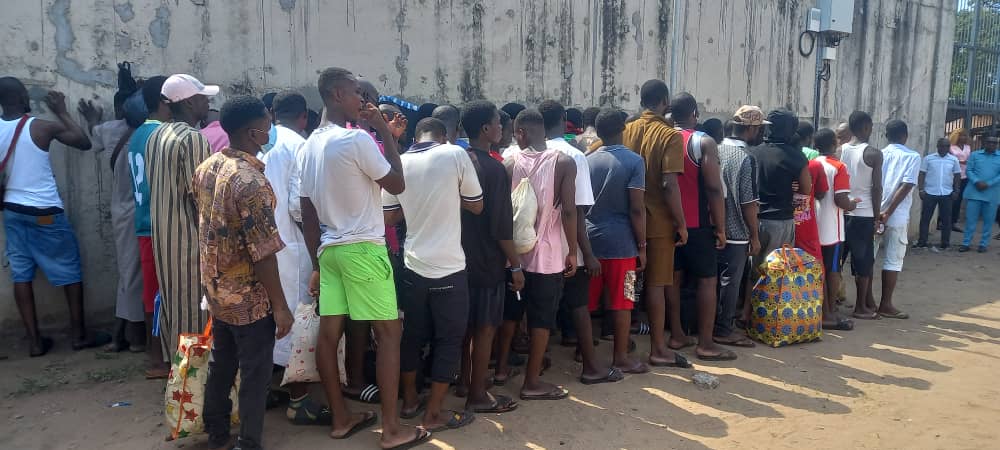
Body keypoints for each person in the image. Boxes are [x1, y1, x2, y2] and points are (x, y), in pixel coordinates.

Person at [297, 67, 428, 448]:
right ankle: (392, 430)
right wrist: (384, 130)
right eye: (358, 93)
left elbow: (307, 213)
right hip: (364, 249)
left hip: (330, 250)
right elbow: (397, 183)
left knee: (329, 334)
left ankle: (341, 418)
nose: (364, 101)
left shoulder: (309, 146)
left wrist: (317, 263)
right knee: (389, 335)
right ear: (338, 94)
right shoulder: (356, 140)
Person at [192, 95, 295, 450]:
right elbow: (264, 253)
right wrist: (280, 306)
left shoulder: (208, 167)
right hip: (249, 297)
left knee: (222, 363)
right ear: (253, 133)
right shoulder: (250, 182)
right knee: (255, 373)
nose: (271, 129)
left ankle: (217, 431)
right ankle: (249, 443)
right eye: (267, 123)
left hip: (217, 289)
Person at [384, 117, 483, 431]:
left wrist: (417, 203)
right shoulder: (454, 154)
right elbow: (477, 205)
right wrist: (447, 195)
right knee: (449, 340)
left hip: (413, 264)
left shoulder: (399, 161)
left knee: (412, 335)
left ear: (416, 137)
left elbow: (389, 217)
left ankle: (410, 402)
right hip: (449, 266)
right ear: (445, 136)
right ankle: (434, 414)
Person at [0, 77, 96, 357]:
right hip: (44, 212)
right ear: (22, 97)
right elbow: (83, 142)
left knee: (21, 274)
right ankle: (78, 335)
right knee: (70, 270)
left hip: (12, 211)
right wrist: (62, 112)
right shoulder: (40, 127)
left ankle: (34, 343)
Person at [529, 99, 617, 383]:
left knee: (539, 306)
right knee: (578, 302)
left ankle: (539, 361)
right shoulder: (572, 155)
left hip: (533, 246)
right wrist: (586, 252)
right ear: (563, 119)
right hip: (567, 244)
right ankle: (590, 365)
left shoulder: (526, 153)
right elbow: (576, 210)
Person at [257, 91, 331, 425]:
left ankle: (261, 389)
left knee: (262, 319)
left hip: (257, 248)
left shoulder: (257, 139)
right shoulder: (298, 145)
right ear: (303, 117)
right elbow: (299, 207)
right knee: (295, 320)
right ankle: (299, 400)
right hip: (289, 246)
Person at [495, 108, 579, 400]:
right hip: (548, 256)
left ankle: (501, 369)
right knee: (542, 319)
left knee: (511, 314)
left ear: (521, 133)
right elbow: (569, 211)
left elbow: (504, 213)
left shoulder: (509, 163)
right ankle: (532, 382)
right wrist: (572, 251)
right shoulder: (564, 163)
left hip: (514, 257)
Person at [613, 79, 690, 368]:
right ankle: (658, 348)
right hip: (657, 224)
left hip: (626, 221)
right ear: (665, 101)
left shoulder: (625, 130)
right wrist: (681, 223)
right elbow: (670, 184)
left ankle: (624, 342)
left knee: (628, 282)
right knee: (657, 285)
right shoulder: (669, 135)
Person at [457, 101, 523, 413]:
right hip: (486, 261)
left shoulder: (458, 161)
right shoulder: (494, 169)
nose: (501, 128)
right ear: (486, 129)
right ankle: (478, 394)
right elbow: (501, 228)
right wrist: (516, 265)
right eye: (498, 123)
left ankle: (464, 380)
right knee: (485, 328)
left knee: (465, 326)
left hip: (458, 258)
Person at [145, 74, 217, 363]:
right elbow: (203, 199)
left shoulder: (156, 136)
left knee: (175, 308)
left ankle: (180, 373)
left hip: (164, 240)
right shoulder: (192, 139)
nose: (207, 103)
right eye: (202, 98)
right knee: (195, 313)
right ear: (188, 103)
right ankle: (193, 379)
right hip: (189, 242)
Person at [668, 93, 733, 361]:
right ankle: (706, 343)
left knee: (672, 279)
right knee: (707, 280)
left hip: (667, 223)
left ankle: (676, 334)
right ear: (694, 113)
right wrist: (720, 227)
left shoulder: (662, 137)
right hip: (697, 225)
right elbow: (714, 188)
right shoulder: (703, 141)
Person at [80, 88, 145, 352]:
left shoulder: (109, 130)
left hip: (124, 211)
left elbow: (94, 134)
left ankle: (126, 335)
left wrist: (92, 120)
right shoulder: (150, 133)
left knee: (130, 272)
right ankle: (132, 335)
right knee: (134, 274)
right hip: (138, 210)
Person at [585, 108, 649, 374]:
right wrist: (642, 246)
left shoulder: (587, 160)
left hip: (590, 241)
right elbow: (637, 208)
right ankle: (620, 357)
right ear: (623, 128)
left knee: (588, 302)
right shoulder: (635, 162)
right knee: (625, 300)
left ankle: (584, 352)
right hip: (623, 244)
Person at [128, 76, 171, 377]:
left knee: (152, 292)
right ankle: (157, 358)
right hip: (161, 224)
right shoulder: (163, 134)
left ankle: (155, 355)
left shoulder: (138, 133)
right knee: (160, 294)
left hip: (145, 222)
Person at [713, 106, 764, 347]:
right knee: (731, 282)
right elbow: (748, 202)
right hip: (736, 231)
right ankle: (723, 329)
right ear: (751, 129)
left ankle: (710, 324)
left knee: (711, 281)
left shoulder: (714, 148)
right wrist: (754, 235)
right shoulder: (746, 158)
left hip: (712, 227)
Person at [839, 111, 883, 320]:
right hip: (864, 214)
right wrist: (877, 217)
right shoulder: (873, 153)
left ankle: (829, 305)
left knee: (836, 261)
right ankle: (860, 307)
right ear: (866, 127)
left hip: (841, 212)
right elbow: (877, 188)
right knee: (864, 263)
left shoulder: (839, 150)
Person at [874, 119, 919, 320]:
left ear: (886, 136)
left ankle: (865, 302)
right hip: (896, 216)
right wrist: (888, 213)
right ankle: (885, 304)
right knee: (893, 260)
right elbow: (907, 185)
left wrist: (879, 212)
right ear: (905, 136)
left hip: (875, 213)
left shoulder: (878, 154)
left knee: (868, 258)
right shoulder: (912, 156)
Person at [814, 128, 858, 330]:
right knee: (832, 269)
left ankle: (817, 308)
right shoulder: (839, 167)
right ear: (834, 144)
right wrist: (852, 204)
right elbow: (841, 200)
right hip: (832, 227)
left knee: (817, 268)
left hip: (813, 224)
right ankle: (830, 310)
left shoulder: (811, 163)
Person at [915, 138, 961, 249]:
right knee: (925, 218)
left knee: (946, 220)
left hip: (947, 193)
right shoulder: (928, 158)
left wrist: (956, 191)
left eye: (946, 146)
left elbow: (957, 176)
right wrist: (921, 189)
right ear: (937, 146)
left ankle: (945, 243)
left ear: (949, 147)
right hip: (930, 193)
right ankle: (922, 241)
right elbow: (922, 174)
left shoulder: (954, 160)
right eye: (941, 146)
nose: (944, 148)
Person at [960, 135, 1000, 252]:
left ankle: (983, 244)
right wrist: (976, 181)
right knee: (970, 220)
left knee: (989, 221)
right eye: (989, 142)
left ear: (997, 144)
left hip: (992, 194)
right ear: (984, 143)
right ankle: (966, 243)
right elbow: (969, 170)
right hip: (974, 193)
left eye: (994, 143)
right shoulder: (974, 155)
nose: (991, 145)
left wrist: (988, 183)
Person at [950, 128, 972, 232]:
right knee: (951, 199)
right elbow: (949, 160)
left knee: (959, 200)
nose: (963, 137)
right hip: (953, 176)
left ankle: (953, 222)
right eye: (961, 135)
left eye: (965, 135)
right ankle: (943, 221)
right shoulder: (951, 147)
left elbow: (970, 159)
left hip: (964, 177)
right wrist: (961, 162)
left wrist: (967, 162)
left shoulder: (968, 147)